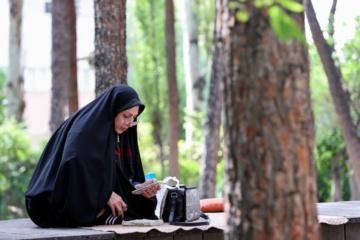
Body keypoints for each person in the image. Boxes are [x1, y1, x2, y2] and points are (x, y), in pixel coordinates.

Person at [25, 85, 160, 227]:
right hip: (50, 201)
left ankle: (105, 213)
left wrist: (137, 188)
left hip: (91, 194)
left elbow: (112, 177)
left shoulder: (115, 134)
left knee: (145, 206)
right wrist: (106, 195)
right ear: (113, 110)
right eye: (126, 116)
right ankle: (103, 215)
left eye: (134, 118)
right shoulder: (85, 131)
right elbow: (73, 171)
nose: (129, 123)